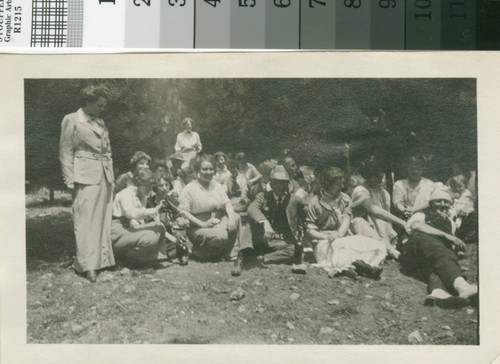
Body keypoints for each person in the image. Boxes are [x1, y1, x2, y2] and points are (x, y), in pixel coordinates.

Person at [59, 85, 115, 282]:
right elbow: (66, 152)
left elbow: (107, 151)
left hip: (104, 176)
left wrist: (111, 175)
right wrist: (69, 180)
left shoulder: (100, 122)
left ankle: (102, 261)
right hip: (84, 175)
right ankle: (87, 265)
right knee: (85, 220)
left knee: (102, 218)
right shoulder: (72, 120)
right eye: (99, 104)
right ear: (88, 101)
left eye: (104, 105)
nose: (103, 108)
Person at [305, 167, 387, 279]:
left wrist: (338, 235)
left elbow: (346, 219)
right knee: (339, 247)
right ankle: (348, 268)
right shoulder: (314, 202)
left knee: (365, 243)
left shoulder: (344, 198)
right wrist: (327, 237)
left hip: (342, 236)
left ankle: (363, 266)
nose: (342, 187)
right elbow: (310, 230)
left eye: (343, 183)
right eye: (338, 184)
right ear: (327, 184)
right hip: (323, 241)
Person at [401, 189, 477, 308]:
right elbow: (417, 226)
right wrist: (446, 235)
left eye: (446, 202)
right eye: (438, 201)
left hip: (431, 257)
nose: (442, 204)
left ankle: (438, 293)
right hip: (416, 248)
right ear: (430, 204)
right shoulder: (421, 214)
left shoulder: (450, 223)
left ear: (450, 205)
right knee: (436, 250)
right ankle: (463, 287)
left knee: (439, 261)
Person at [178, 156, 251, 274]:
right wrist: (203, 223)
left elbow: (227, 202)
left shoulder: (216, 185)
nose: (209, 172)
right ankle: (203, 252)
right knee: (221, 237)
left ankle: (237, 253)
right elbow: (183, 212)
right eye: (205, 169)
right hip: (197, 225)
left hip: (216, 220)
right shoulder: (189, 188)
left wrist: (231, 219)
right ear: (197, 171)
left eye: (211, 169)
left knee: (236, 218)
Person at [111, 168, 187, 266]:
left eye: (151, 186)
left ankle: (131, 258)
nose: (150, 189)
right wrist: (154, 210)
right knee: (150, 235)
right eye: (147, 186)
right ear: (139, 183)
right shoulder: (126, 193)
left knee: (158, 227)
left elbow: (140, 220)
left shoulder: (140, 196)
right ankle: (124, 258)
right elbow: (132, 213)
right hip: (118, 231)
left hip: (127, 228)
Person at [247, 165, 302, 266]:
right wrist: (265, 222)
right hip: (264, 238)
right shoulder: (263, 196)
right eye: (276, 183)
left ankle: (264, 258)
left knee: (294, 250)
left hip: (283, 241)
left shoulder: (295, 200)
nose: (280, 187)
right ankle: (245, 255)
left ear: (288, 184)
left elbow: (305, 216)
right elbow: (252, 208)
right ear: (271, 184)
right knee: (248, 225)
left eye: (283, 183)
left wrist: (301, 235)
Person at [350, 157, 405, 259]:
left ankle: (390, 246)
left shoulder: (381, 191)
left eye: (381, 177)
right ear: (368, 176)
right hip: (363, 224)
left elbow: (386, 211)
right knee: (373, 217)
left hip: (380, 225)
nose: (380, 180)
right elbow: (375, 210)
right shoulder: (360, 190)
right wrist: (401, 222)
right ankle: (389, 249)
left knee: (381, 219)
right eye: (376, 177)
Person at [393, 155, 436, 219]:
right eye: (412, 168)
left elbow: (431, 202)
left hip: (426, 219)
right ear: (407, 169)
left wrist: (413, 209)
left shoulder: (430, 184)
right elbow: (397, 201)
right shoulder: (399, 184)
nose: (415, 172)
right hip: (406, 217)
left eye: (418, 168)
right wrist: (404, 210)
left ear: (423, 169)